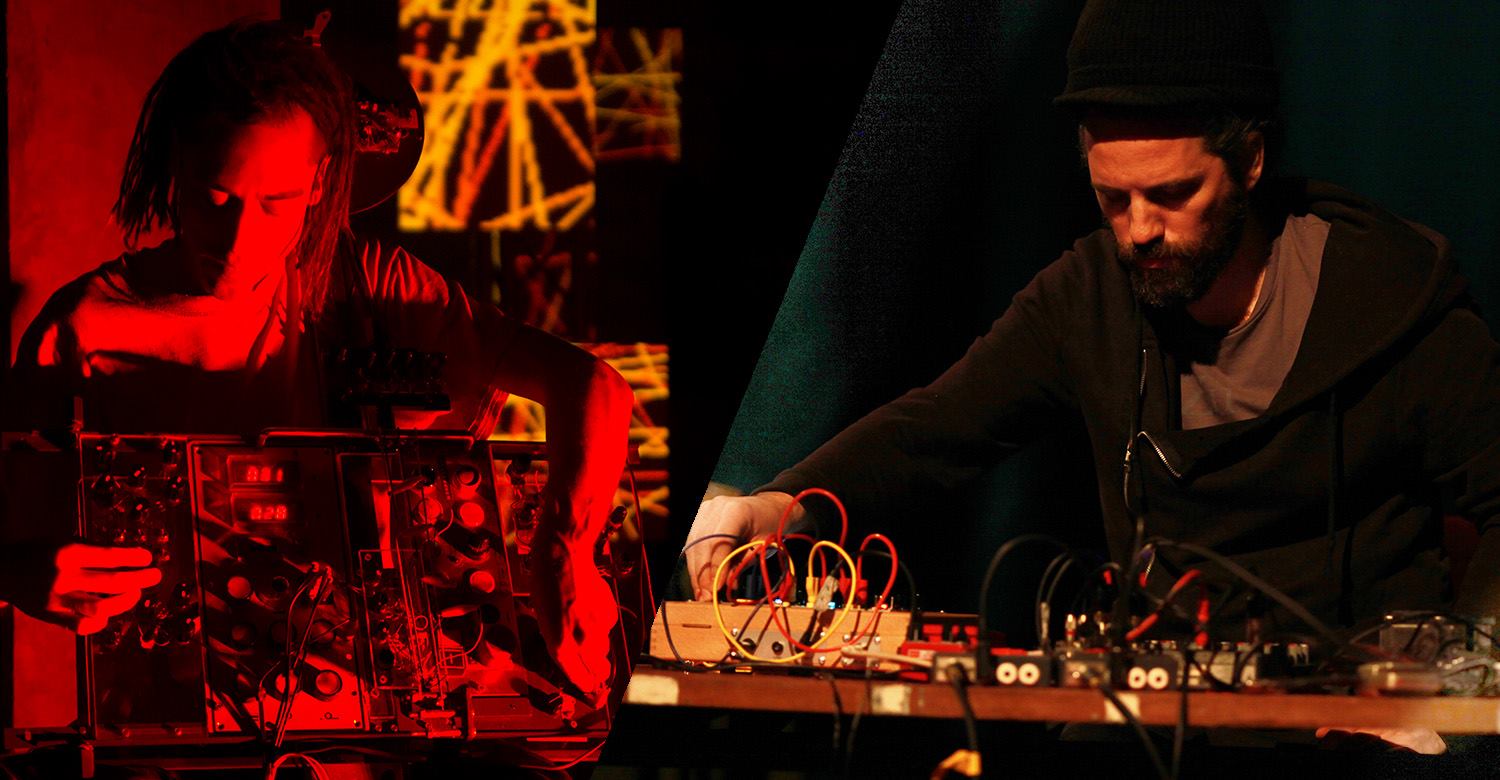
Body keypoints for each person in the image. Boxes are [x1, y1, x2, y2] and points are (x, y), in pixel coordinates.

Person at [686, 0, 1500, 753]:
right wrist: (778, 504)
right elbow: (933, 429)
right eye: (1113, 198)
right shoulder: (1089, 297)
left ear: (1251, 161)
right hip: (1154, 734)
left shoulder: (1392, 296)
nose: (1139, 230)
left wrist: (1448, 695)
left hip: (1361, 731)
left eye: (1173, 193)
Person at [2, 19, 632, 699]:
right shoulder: (83, 326)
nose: (240, 241)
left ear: (319, 180)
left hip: (387, 712)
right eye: (217, 197)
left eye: (275, 203)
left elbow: (591, 383)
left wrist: (567, 547)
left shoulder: (371, 284)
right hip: (175, 715)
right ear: (176, 164)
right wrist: (19, 573)